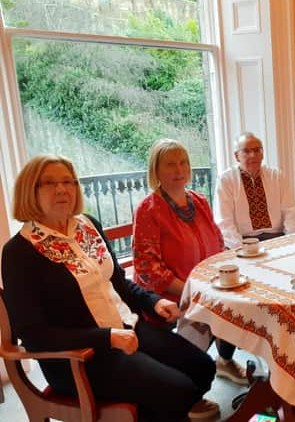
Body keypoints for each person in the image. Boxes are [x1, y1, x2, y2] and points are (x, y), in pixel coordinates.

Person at [1, 154, 219, 422]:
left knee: (203, 368)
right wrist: (106, 337)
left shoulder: (89, 225)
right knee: (176, 390)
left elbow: (119, 283)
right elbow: (35, 335)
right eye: (48, 183)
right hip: (81, 358)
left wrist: (153, 302)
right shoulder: (18, 252)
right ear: (29, 191)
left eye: (68, 181)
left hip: (128, 328)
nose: (61, 189)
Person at [133, 139, 248, 385]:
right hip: (171, 296)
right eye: (171, 164)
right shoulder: (148, 209)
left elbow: (217, 244)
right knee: (216, 305)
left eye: (183, 162)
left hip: (204, 286)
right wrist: (191, 289)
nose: (179, 169)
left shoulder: (199, 201)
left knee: (239, 295)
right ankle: (189, 382)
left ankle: (224, 360)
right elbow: (147, 268)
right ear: (156, 171)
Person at [214, 132, 295, 249]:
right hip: (243, 241)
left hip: (277, 238)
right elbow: (224, 222)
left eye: (257, 150)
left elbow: (290, 211)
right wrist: (241, 248)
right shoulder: (226, 180)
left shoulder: (276, 175)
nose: (253, 155)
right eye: (247, 151)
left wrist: (291, 241)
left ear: (262, 154)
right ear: (236, 156)